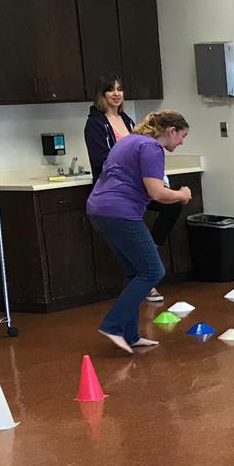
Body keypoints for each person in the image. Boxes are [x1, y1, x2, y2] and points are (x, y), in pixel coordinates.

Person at [85, 110, 191, 355]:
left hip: (98, 209)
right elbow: (157, 192)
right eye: (182, 136)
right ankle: (112, 325)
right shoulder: (152, 148)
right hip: (119, 212)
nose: (182, 142)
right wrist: (181, 195)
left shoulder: (131, 140)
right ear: (171, 131)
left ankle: (130, 335)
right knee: (153, 270)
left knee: (135, 272)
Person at [85, 78, 179, 304]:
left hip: (136, 188)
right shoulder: (96, 123)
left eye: (119, 89)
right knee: (148, 269)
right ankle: (146, 271)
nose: (116, 94)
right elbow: (103, 159)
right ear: (102, 95)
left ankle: (151, 249)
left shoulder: (126, 120)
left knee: (172, 205)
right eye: (110, 90)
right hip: (114, 190)